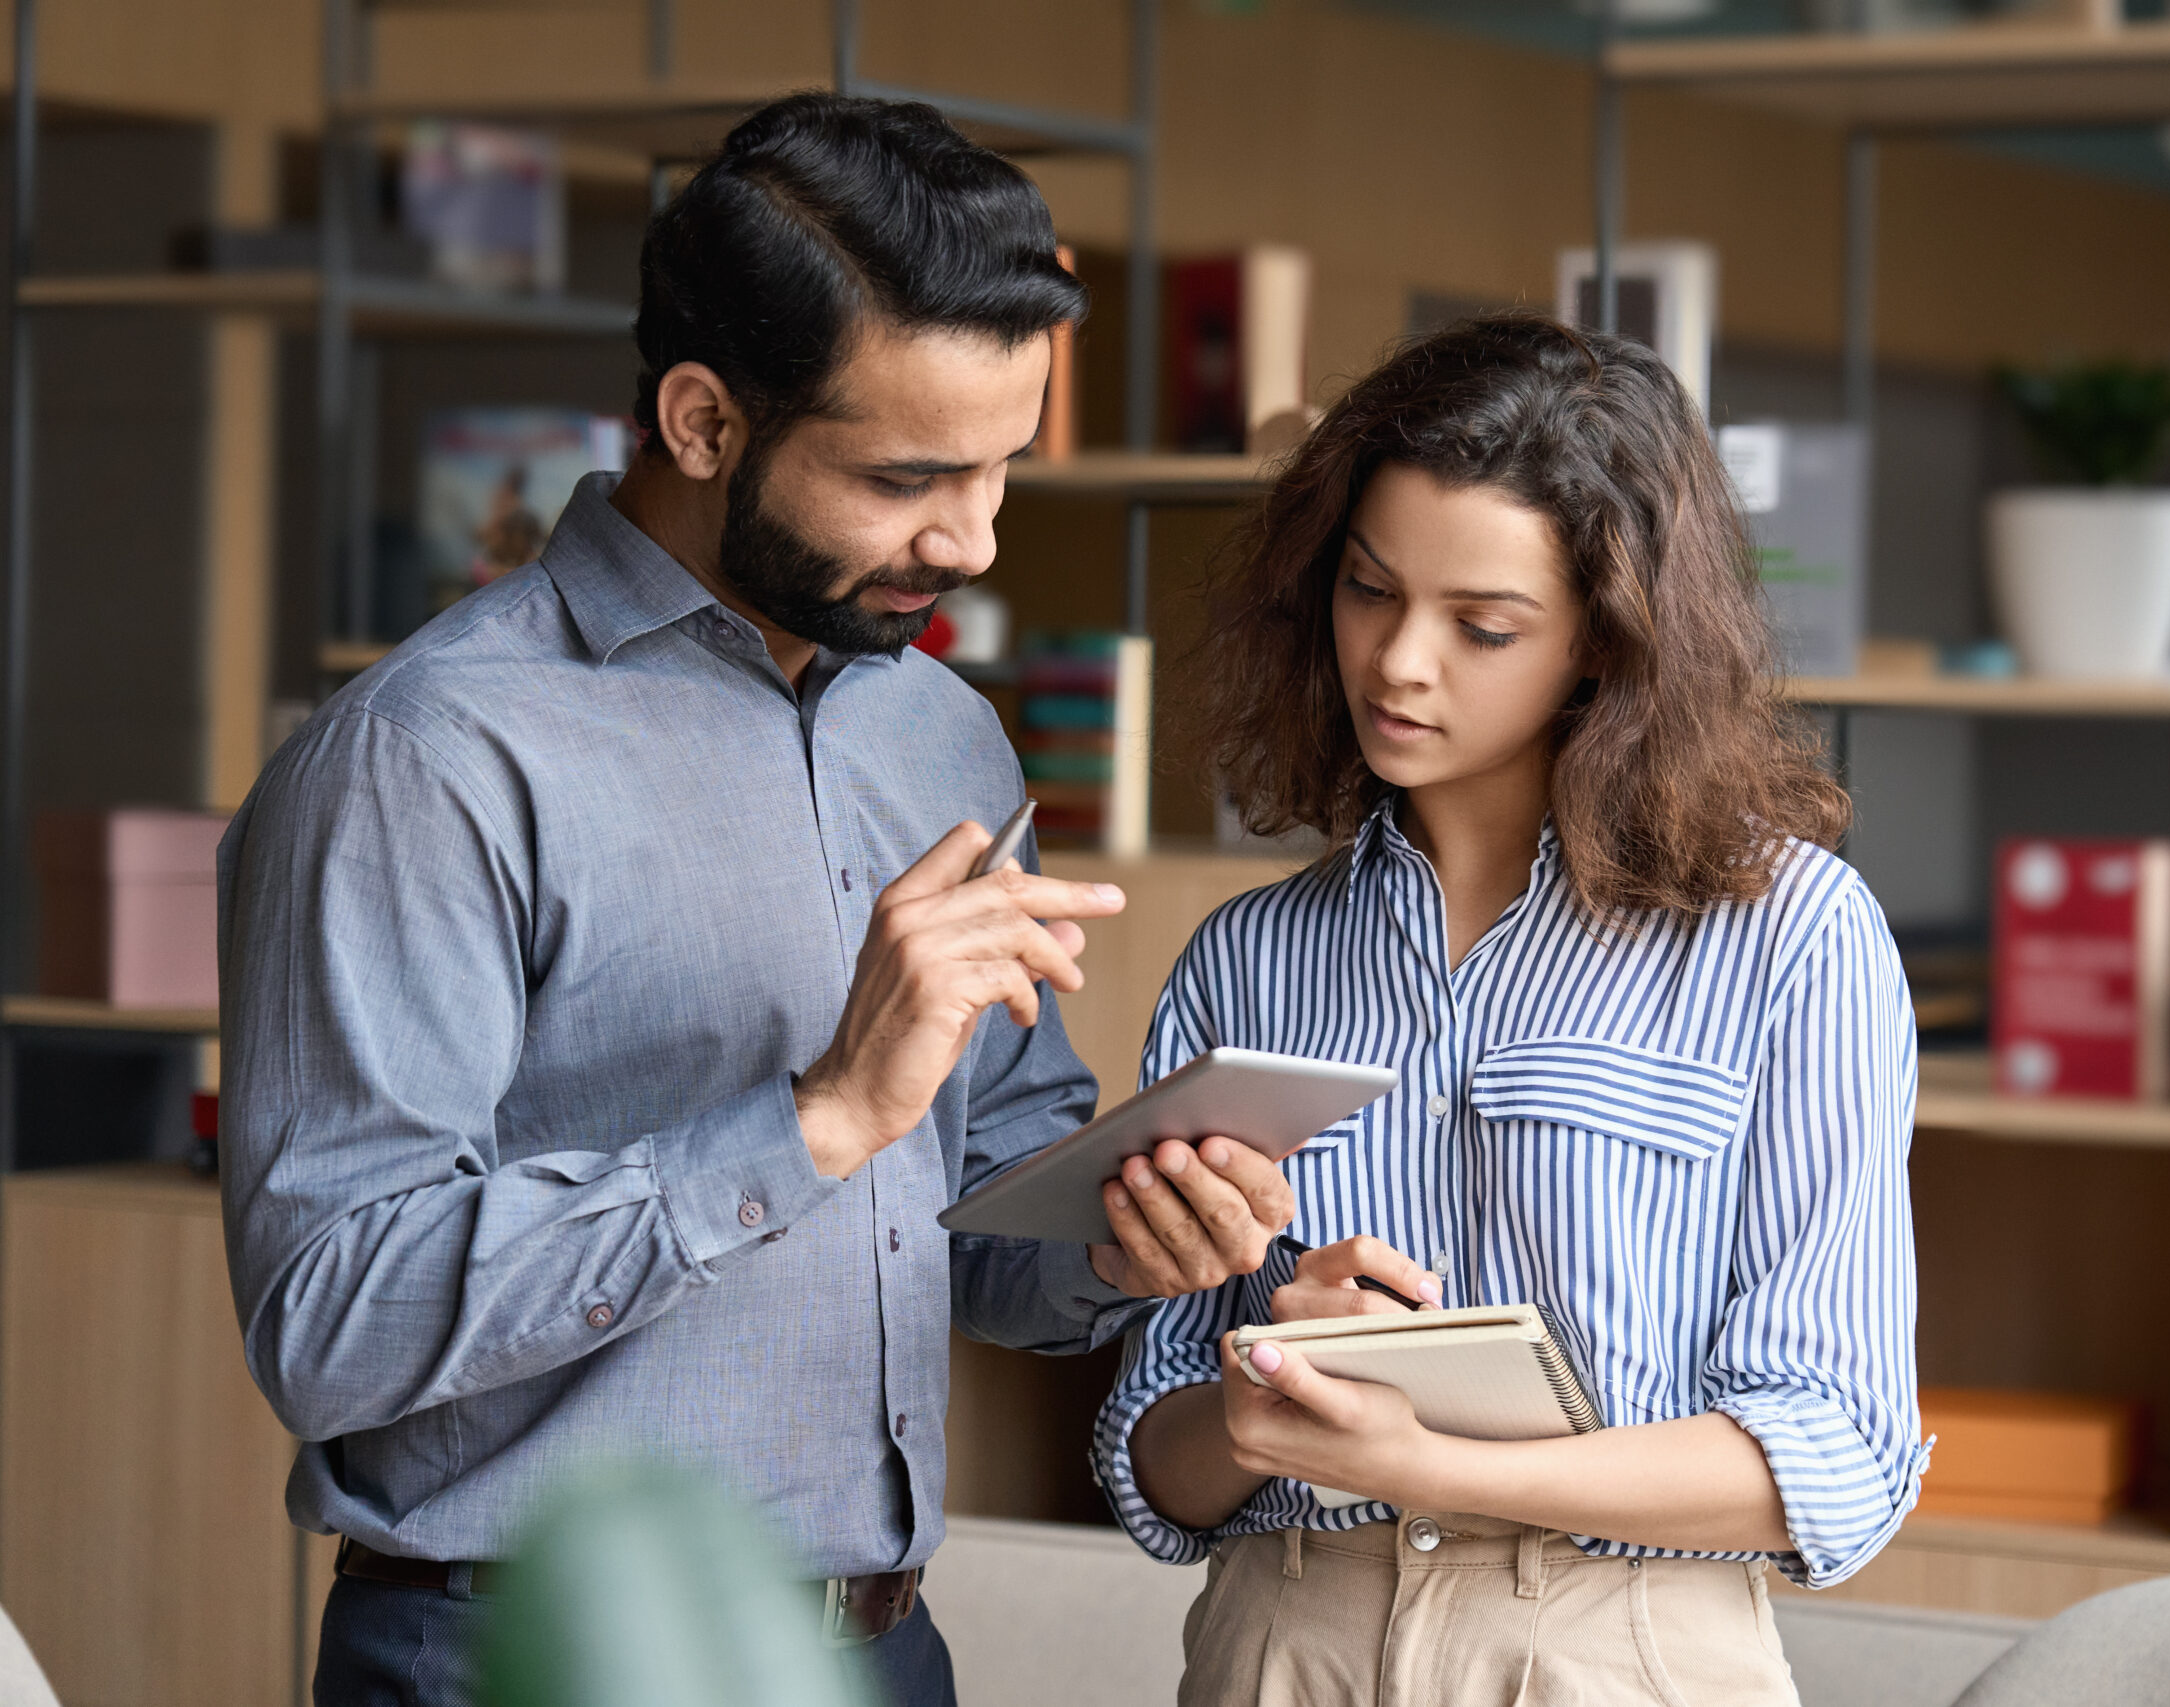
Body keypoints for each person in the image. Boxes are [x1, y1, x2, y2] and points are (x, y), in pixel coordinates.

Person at [218, 95, 1295, 1707]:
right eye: (909, 476)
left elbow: (981, 1210)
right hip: (522, 1652)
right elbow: (330, 1319)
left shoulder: (940, 729)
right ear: (705, 421)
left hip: (885, 1646)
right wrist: (815, 1118)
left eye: (1001, 468)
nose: (975, 540)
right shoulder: (427, 758)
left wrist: (1125, 1241)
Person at [1096, 316, 1926, 1705]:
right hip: (1285, 1652)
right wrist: (1256, 1406)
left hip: (1621, 1654)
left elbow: (1832, 1450)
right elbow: (1155, 1459)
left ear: (1607, 643)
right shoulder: (1245, 961)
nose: (1400, 662)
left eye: (1484, 626)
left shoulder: (1795, 942)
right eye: (1369, 591)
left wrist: (1440, 1469)